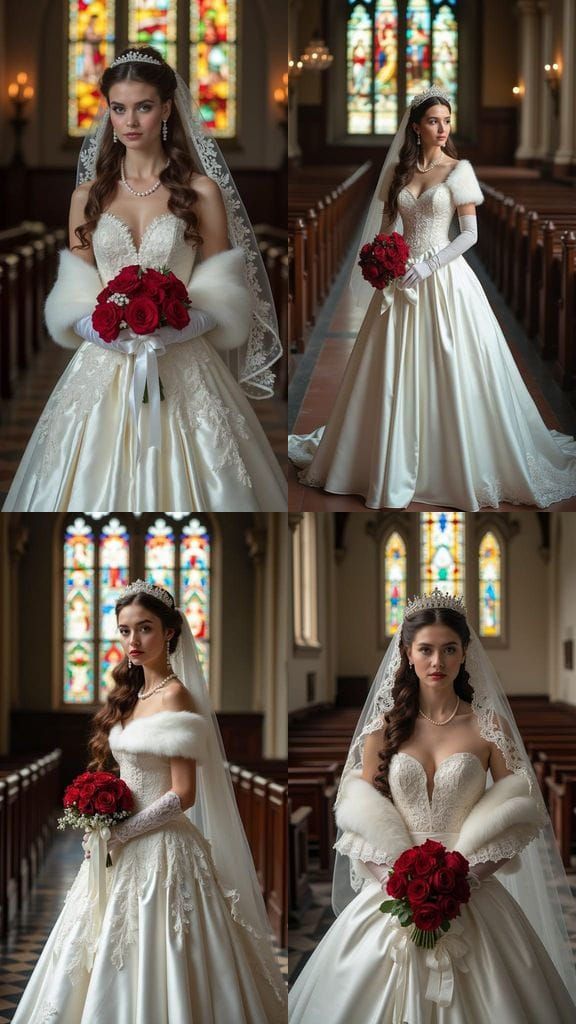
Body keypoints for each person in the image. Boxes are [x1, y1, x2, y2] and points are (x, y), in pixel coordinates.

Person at [3, 46, 287, 513]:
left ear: (167, 109)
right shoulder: (87, 196)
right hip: (104, 362)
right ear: (108, 112)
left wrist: (177, 328)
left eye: (144, 107)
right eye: (119, 108)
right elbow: (76, 290)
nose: (130, 121)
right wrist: (103, 331)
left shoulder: (200, 191)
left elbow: (223, 289)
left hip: (183, 359)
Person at [289, 589, 576, 1023]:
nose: (437, 661)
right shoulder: (382, 730)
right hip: (392, 888)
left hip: (472, 887)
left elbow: (520, 815)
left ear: (465, 654)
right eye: (425, 649)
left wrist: (465, 878)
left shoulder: (488, 727)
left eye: (449, 649)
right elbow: (359, 817)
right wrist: (395, 882)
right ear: (407, 654)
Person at [288, 85, 576, 509]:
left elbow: (470, 235)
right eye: (433, 121)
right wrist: (383, 260)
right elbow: (385, 230)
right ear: (416, 127)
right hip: (400, 280)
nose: (442, 129)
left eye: (447, 121)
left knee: (453, 361)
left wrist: (428, 266)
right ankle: (386, 455)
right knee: (390, 369)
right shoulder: (398, 172)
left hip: (443, 277)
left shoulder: (459, 171)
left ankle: (453, 461)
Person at [12, 579, 286, 1023]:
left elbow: (183, 793)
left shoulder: (176, 695)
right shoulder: (132, 695)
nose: (133, 641)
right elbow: (131, 775)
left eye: (145, 628)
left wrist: (123, 831)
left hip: (162, 848)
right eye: (125, 630)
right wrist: (101, 823)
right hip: (119, 842)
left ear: (169, 632)